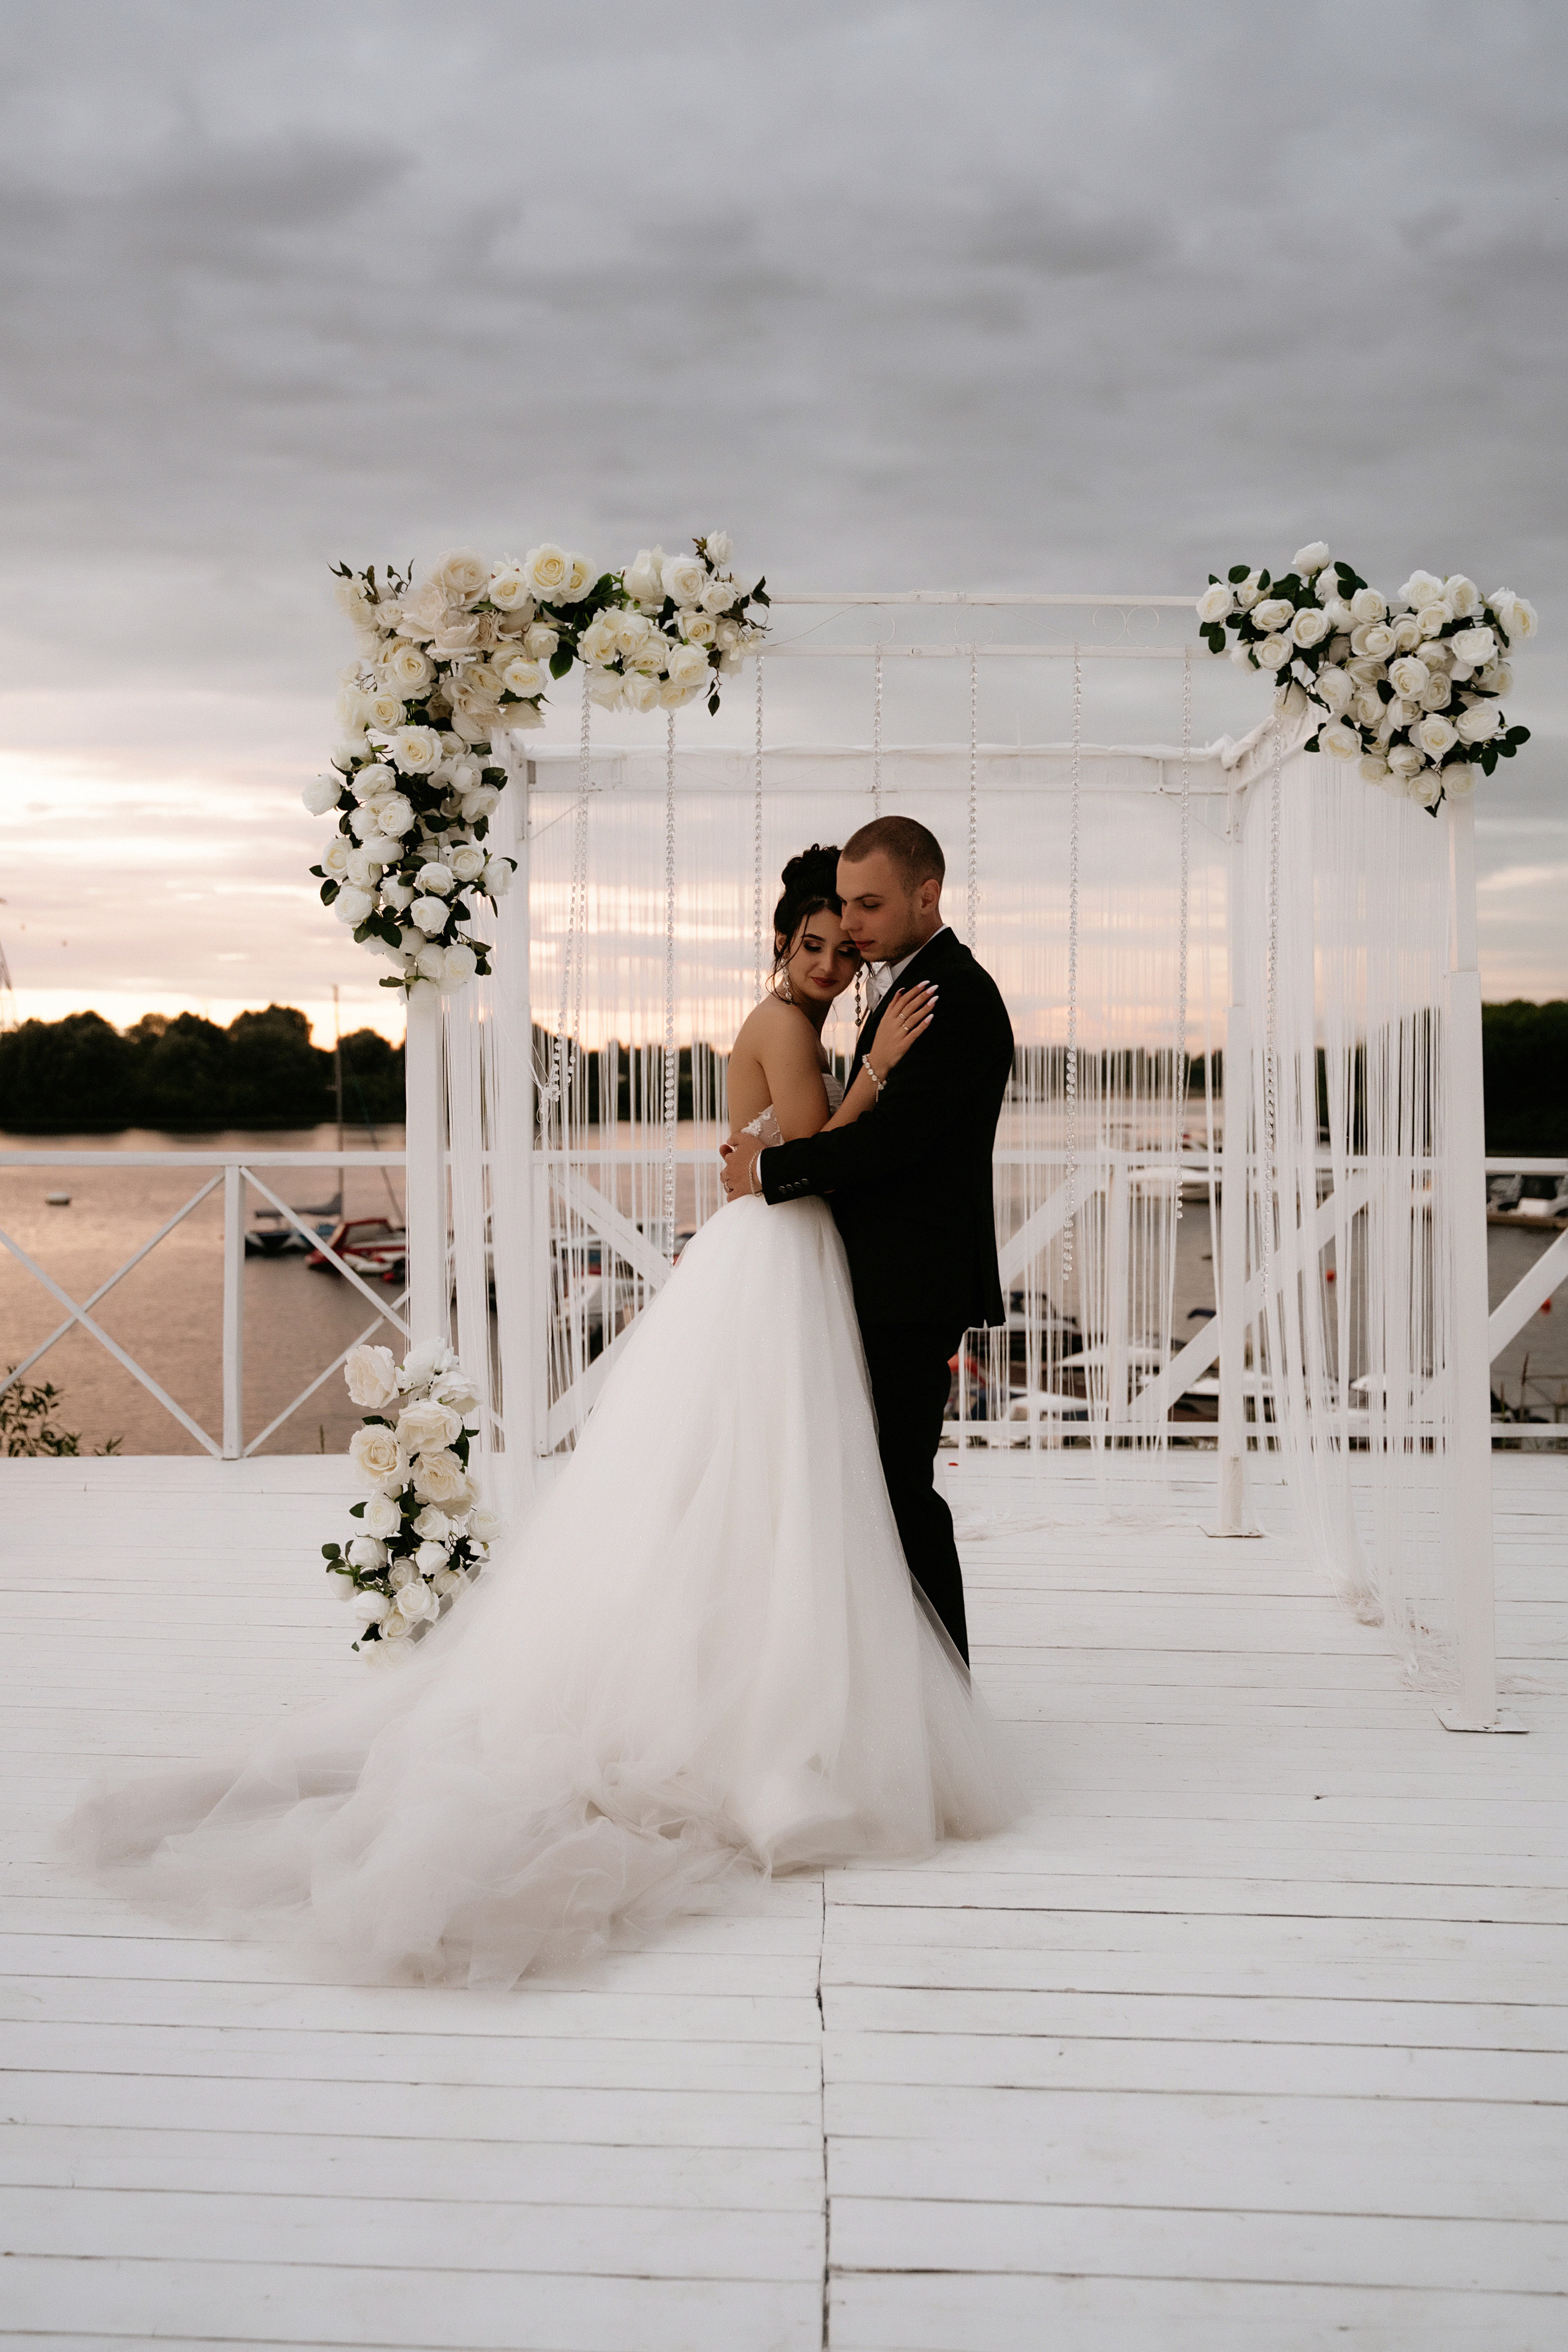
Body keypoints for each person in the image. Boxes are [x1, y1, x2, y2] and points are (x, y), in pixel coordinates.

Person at [73, 845, 1012, 1988]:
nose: (837, 951)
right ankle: (851, 1706)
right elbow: (817, 1143)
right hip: (786, 1254)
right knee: (807, 1480)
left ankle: (888, 1700)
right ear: (782, 947)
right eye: (817, 938)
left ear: (920, 896)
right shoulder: (801, 1021)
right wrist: (783, 1144)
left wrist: (768, 1151)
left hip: (821, 1260)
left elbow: (825, 1147)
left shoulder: (923, 1003)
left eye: (850, 928)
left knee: (840, 1483)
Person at [720, 816, 1016, 1665]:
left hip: (910, 1285)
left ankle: (942, 1692)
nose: (851, 928)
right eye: (842, 908)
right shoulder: (901, 987)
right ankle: (892, 1687)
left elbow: (890, 1145)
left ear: (928, 895)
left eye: (870, 906)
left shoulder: (948, 996)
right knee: (869, 1490)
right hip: (876, 1278)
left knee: (897, 1492)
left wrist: (769, 1173)